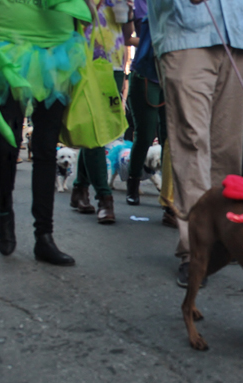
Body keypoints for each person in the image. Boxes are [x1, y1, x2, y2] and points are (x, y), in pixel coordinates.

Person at [0, 0, 92, 265]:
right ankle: (4, 211)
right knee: (7, 141)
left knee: (46, 146)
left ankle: (44, 236)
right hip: (8, 46)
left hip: (57, 49)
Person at [148, 0, 243, 287]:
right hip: (185, 35)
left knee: (228, 150)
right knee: (191, 142)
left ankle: (220, 243)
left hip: (236, 40)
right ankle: (195, 250)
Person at [70, 1, 134, 224]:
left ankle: (79, 188)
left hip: (114, 65)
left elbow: (127, 35)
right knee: (93, 130)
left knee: (102, 132)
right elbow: (79, 20)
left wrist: (129, 13)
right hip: (86, 62)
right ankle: (104, 198)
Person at [125, 0, 167, 208]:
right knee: (145, 134)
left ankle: (170, 193)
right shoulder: (143, 3)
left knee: (171, 136)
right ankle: (132, 183)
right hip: (146, 74)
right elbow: (129, 35)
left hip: (172, 75)